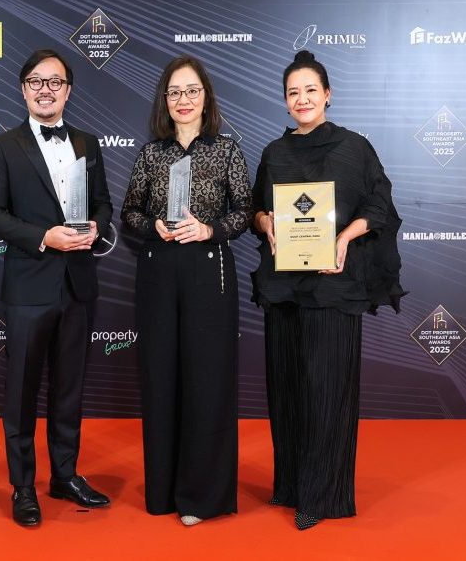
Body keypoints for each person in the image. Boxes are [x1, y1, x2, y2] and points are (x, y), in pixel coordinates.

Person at [251, 50, 405, 530]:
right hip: (284, 287)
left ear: (328, 95)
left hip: (334, 287)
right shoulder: (274, 153)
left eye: (310, 90)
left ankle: (323, 495)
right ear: (285, 100)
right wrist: (267, 225)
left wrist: (343, 238)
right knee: (287, 388)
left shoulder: (354, 148)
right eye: (293, 92)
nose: (302, 99)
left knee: (326, 389)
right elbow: (258, 209)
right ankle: (291, 485)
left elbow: (380, 205)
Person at [0, 49, 113, 527]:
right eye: (36, 81)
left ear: (68, 90)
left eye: (55, 82)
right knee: (21, 392)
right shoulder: (3, 147)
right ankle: (22, 486)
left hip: (78, 284)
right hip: (29, 286)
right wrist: (43, 237)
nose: (45, 90)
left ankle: (65, 475)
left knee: (69, 388)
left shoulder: (88, 143)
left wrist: (96, 226)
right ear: (23, 89)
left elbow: (104, 204)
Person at [121, 54, 252, 526]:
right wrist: (152, 225)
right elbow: (129, 212)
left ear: (206, 97)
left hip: (208, 272)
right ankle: (163, 491)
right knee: (161, 380)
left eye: (192, 90)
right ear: (165, 99)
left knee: (206, 380)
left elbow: (245, 211)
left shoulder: (227, 151)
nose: (183, 99)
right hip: (158, 271)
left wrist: (210, 230)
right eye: (174, 92)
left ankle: (201, 496)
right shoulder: (151, 153)